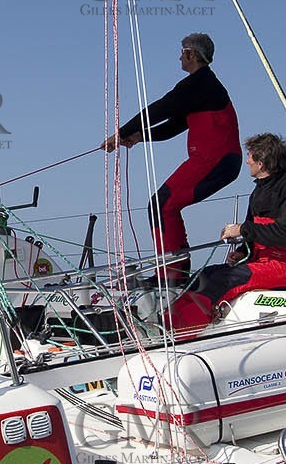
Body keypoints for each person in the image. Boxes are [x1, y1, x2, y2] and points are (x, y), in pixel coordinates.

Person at [102, 33, 239, 279]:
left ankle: (173, 270)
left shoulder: (200, 83)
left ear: (191, 54)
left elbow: (160, 108)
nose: (179, 58)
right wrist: (138, 137)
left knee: (161, 203)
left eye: (182, 53)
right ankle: (175, 265)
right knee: (163, 204)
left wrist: (120, 132)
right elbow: (173, 125)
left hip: (216, 160)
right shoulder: (201, 88)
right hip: (216, 161)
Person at [168, 133, 286, 331]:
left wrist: (241, 229)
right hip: (261, 262)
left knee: (225, 280)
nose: (247, 161)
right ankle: (165, 322)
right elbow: (254, 232)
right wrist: (241, 250)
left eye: (250, 156)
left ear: (261, 162)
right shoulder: (259, 191)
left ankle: (181, 330)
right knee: (205, 275)